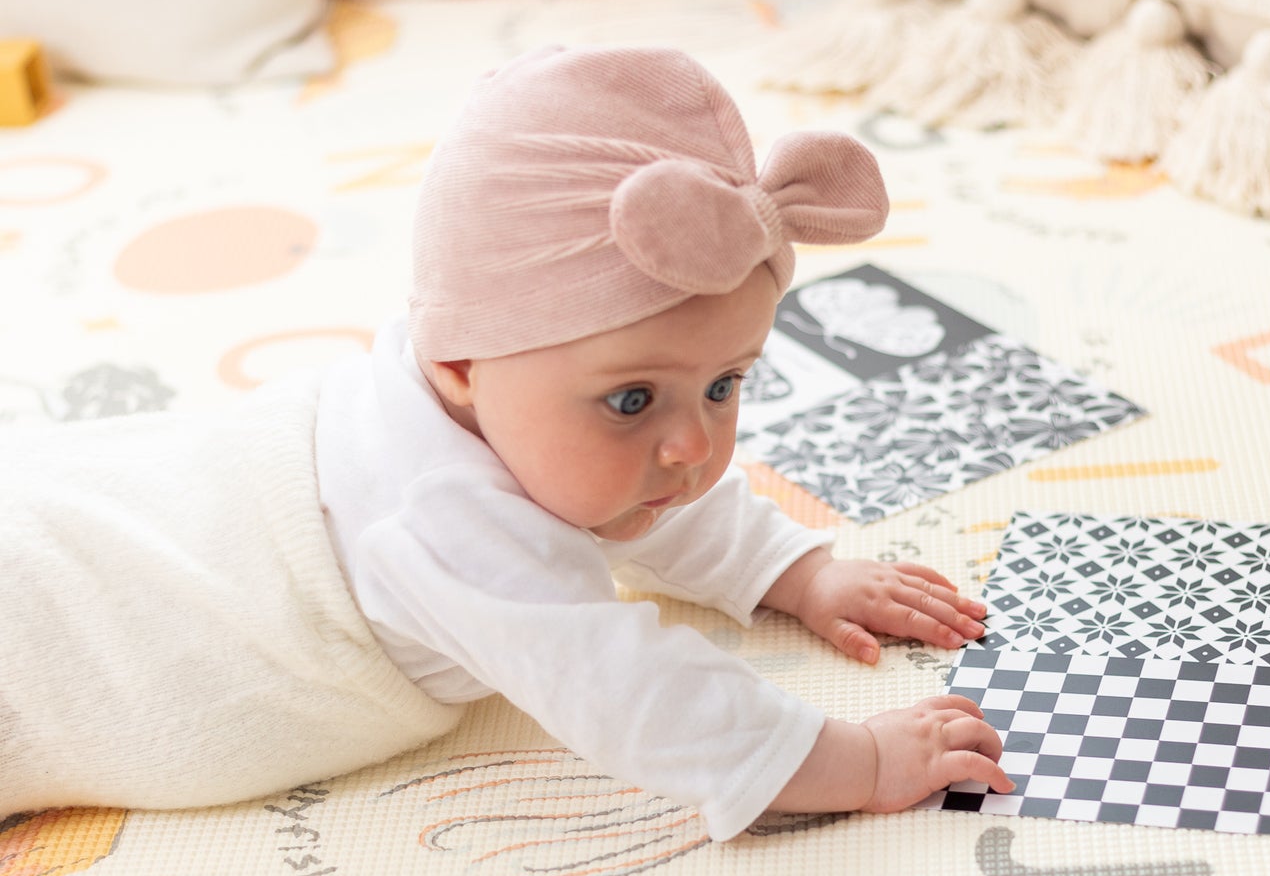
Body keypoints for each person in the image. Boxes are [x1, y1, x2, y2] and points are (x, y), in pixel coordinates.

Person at [0, 44, 1011, 836]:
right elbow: (624, 687)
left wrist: (785, 570)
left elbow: (635, 499)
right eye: (630, 399)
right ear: (458, 365)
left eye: (723, 382)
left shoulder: (503, 400)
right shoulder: (440, 513)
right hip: (60, 629)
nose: (692, 445)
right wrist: (853, 761)